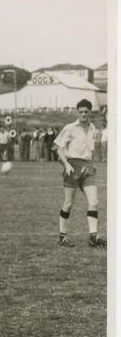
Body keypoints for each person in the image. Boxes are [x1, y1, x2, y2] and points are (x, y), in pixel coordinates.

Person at [54, 98, 106, 248]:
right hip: (72, 166)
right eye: (81, 112)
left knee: (94, 202)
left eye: (86, 112)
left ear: (90, 113)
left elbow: (90, 149)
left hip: (88, 166)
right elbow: (58, 148)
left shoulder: (92, 128)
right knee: (69, 203)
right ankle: (62, 237)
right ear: (78, 112)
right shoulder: (70, 128)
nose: (83, 114)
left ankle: (93, 237)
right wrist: (66, 164)